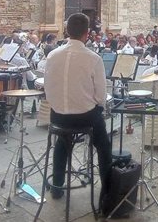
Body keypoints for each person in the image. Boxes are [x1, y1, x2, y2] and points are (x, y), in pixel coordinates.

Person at [41, 13, 111, 199]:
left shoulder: (52, 56)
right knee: (104, 146)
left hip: (58, 115)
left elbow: (47, 88)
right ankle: (107, 191)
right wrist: (96, 107)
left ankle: (57, 186)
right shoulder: (94, 58)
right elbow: (101, 96)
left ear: (67, 31)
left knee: (62, 143)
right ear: (87, 33)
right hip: (85, 116)